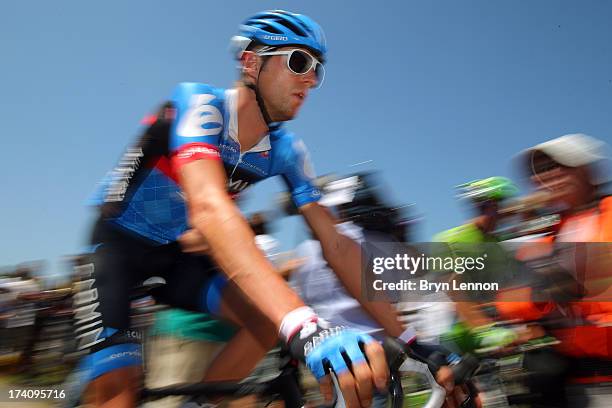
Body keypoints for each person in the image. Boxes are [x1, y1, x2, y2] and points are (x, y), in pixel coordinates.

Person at [78, 10, 395, 408]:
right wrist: (305, 324)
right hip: (117, 248)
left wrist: (411, 339)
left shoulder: (287, 150)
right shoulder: (199, 104)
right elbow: (209, 208)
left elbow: (337, 243)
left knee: (264, 322)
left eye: (318, 69)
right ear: (250, 62)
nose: (311, 79)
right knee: (118, 396)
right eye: (299, 61)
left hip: (175, 256)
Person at [495, 133, 612, 406]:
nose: (544, 177)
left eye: (555, 166)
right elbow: (509, 301)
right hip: (578, 380)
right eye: (540, 171)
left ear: (585, 170)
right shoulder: (549, 235)